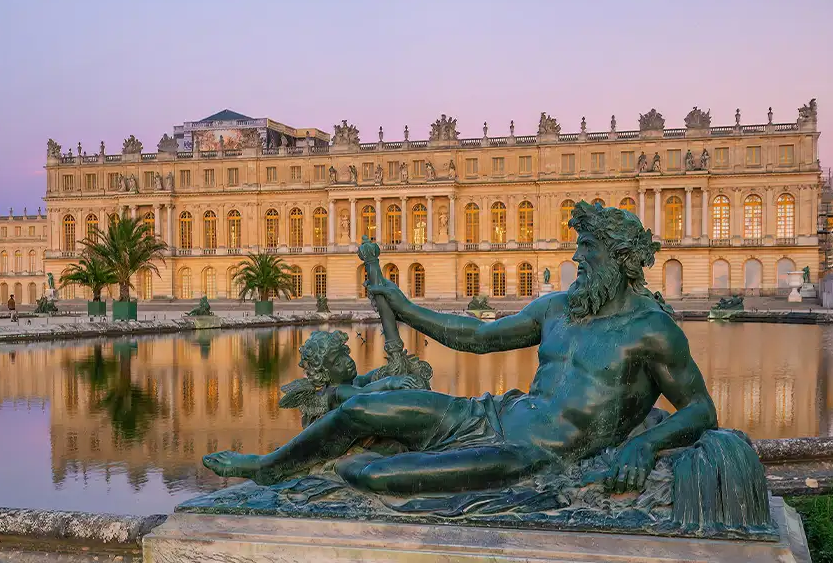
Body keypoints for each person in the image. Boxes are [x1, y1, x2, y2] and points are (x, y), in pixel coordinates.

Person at [205, 201, 717, 495]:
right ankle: (265, 467)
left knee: (370, 474)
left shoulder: (652, 330)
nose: (578, 260)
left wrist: (645, 443)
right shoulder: (557, 308)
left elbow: (700, 409)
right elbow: (478, 337)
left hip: (532, 452)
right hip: (488, 414)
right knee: (360, 407)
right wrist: (404, 309)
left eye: (589, 252)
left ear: (622, 259)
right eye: (579, 250)